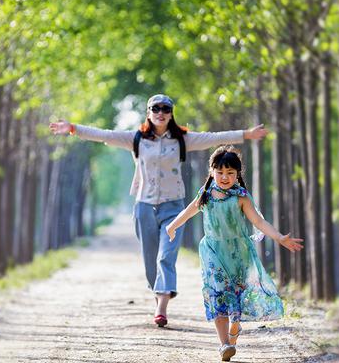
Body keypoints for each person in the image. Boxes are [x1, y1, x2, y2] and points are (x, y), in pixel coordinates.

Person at [49, 94, 269, 328]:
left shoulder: (182, 139)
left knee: (166, 256)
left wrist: (245, 134)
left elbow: (213, 138)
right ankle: (158, 293)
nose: (161, 112)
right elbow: (105, 134)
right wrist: (73, 128)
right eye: (156, 108)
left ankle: (161, 307)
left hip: (173, 205)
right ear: (148, 113)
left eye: (166, 108)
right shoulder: (136, 139)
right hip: (144, 206)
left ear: (171, 113)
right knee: (150, 260)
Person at [166, 146, 303, 361]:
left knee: (237, 297)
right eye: (220, 172)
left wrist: (279, 237)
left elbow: (258, 222)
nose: (224, 177)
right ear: (212, 171)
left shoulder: (241, 197)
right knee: (217, 295)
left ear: (238, 174)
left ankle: (234, 330)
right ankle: (224, 345)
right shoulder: (206, 195)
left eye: (230, 173)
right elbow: (189, 211)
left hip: (239, 255)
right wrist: (172, 226)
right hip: (212, 253)